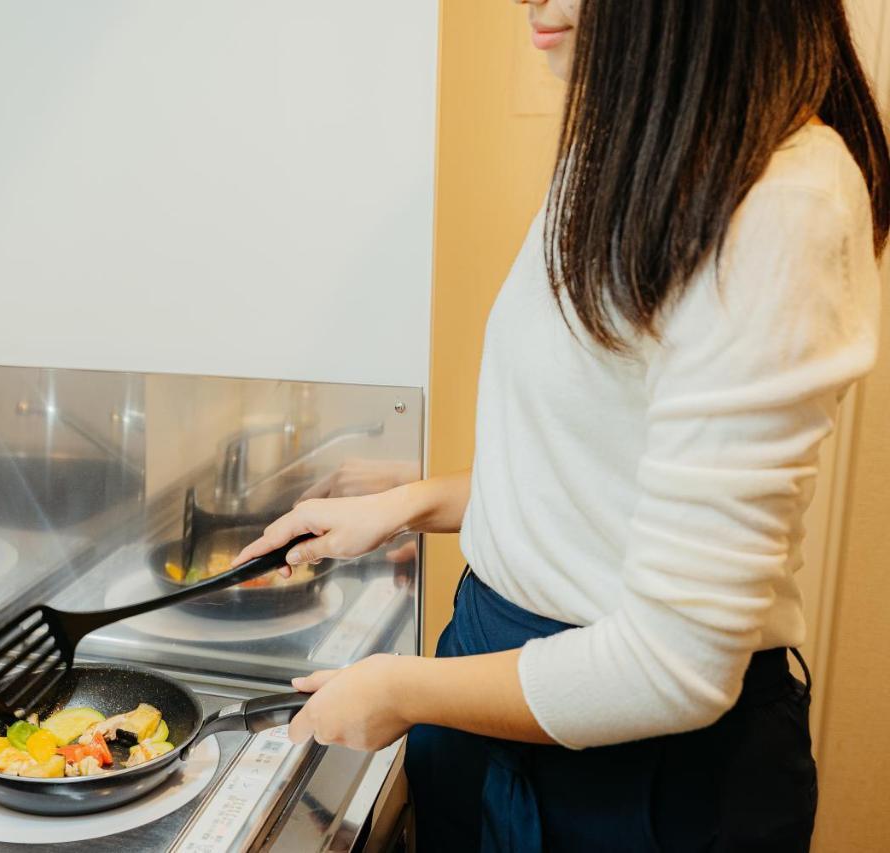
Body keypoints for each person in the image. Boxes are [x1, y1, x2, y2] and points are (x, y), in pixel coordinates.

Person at [232, 0, 889, 849]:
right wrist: (412, 503)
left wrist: (402, 688)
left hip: (639, 775)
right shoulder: (632, 140)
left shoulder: (781, 206)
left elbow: (672, 665)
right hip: (498, 695)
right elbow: (603, 474)